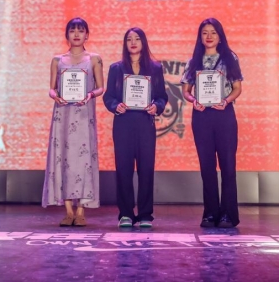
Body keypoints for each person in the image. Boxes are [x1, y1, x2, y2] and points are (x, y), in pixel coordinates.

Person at [103, 27, 168, 228]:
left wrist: (156, 106)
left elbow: (162, 96)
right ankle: (126, 213)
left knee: (146, 169)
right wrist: (115, 106)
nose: (133, 42)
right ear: (125, 43)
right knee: (123, 169)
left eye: (137, 39)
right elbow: (108, 97)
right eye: (129, 39)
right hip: (123, 124)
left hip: (145, 124)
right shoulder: (116, 68)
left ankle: (146, 214)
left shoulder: (155, 68)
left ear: (143, 42)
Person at [181, 18, 243, 228]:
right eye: (205, 33)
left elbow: (237, 88)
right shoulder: (193, 61)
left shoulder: (230, 58)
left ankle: (228, 214)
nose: (209, 36)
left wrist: (226, 100)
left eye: (213, 32)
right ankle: (210, 213)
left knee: (227, 166)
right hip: (201, 117)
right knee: (206, 166)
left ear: (220, 36)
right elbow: (186, 91)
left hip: (224, 115)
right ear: (200, 37)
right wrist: (193, 101)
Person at [42, 18, 104, 226]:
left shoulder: (94, 59)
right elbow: (52, 88)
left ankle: (81, 210)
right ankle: (68, 210)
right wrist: (55, 95)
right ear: (67, 35)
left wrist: (90, 95)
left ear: (87, 35)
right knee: (63, 158)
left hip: (84, 115)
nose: (76, 34)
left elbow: (100, 88)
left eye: (80, 30)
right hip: (63, 115)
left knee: (84, 159)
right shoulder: (57, 60)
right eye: (72, 31)